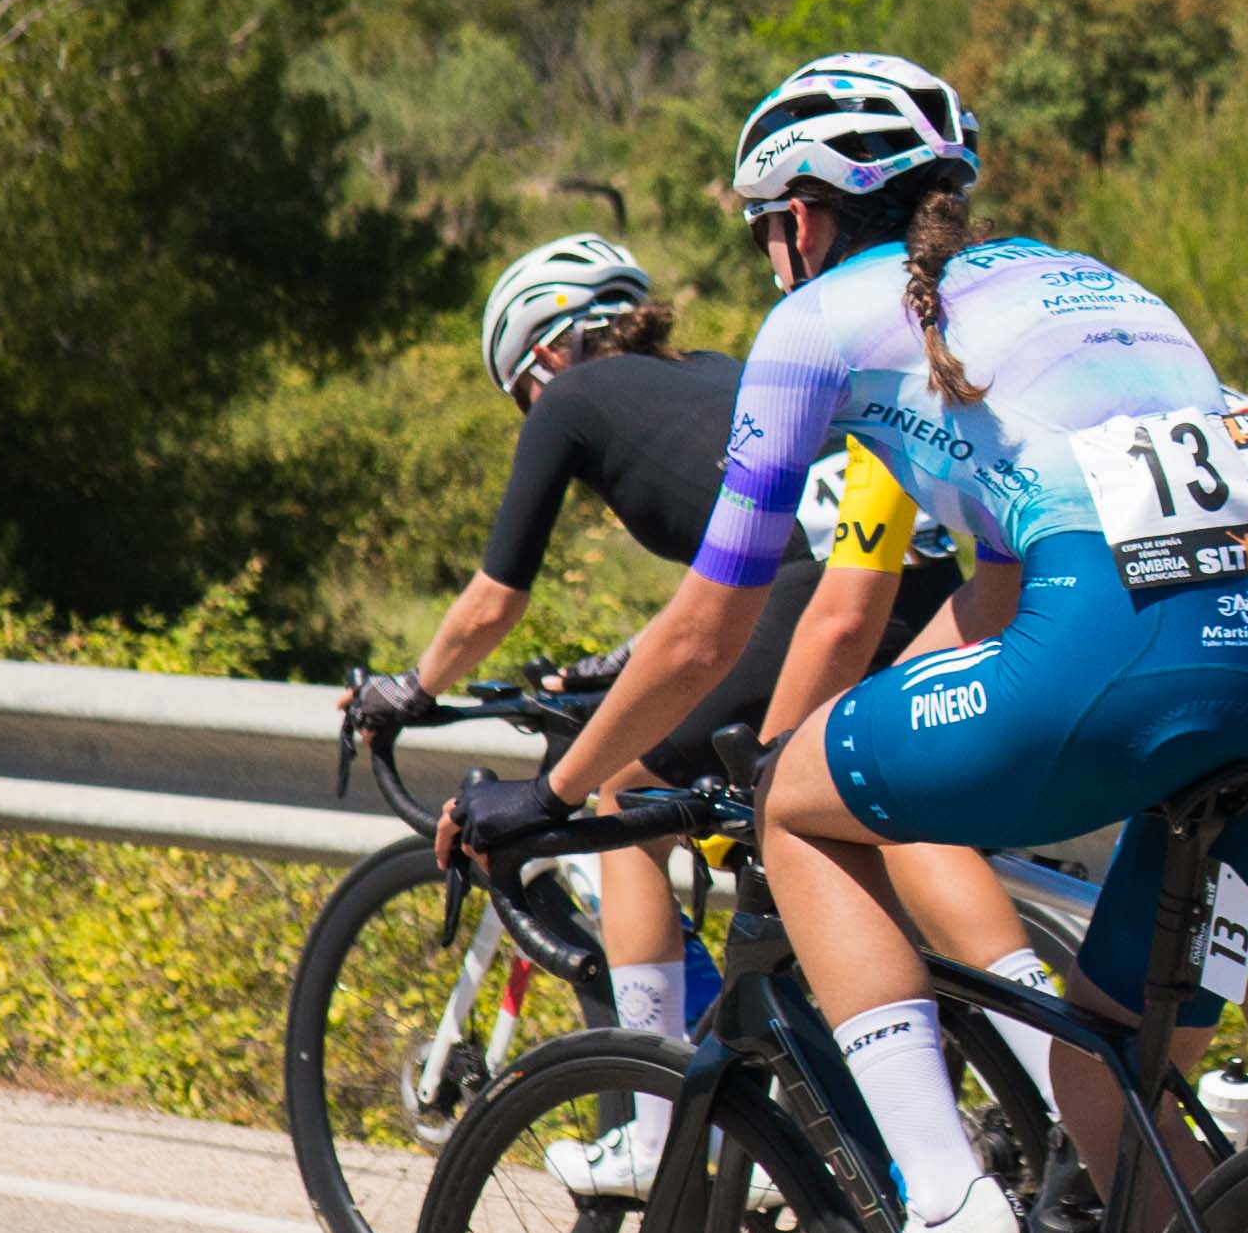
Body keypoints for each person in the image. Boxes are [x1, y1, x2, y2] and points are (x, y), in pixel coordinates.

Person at [494, 60, 1248, 1233]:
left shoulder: (817, 325)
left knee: (793, 806)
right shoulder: (1097, 288)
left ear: (805, 220)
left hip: (1130, 651)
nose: (768, 249)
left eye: (768, 222)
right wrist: (864, 724)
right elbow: (988, 595)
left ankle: (945, 1195)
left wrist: (557, 788)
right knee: (1123, 1106)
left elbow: (710, 630)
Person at [401, 234, 943, 1157]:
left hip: (818, 598)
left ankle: (653, 1132)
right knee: (828, 827)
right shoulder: (720, 371)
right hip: (909, 579)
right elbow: (724, 578)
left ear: (546, 354)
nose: (534, 410)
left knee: (625, 788)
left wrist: (406, 688)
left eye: (521, 392)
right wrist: (629, 657)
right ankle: (821, 1103)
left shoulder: (570, 397)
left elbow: (495, 599)